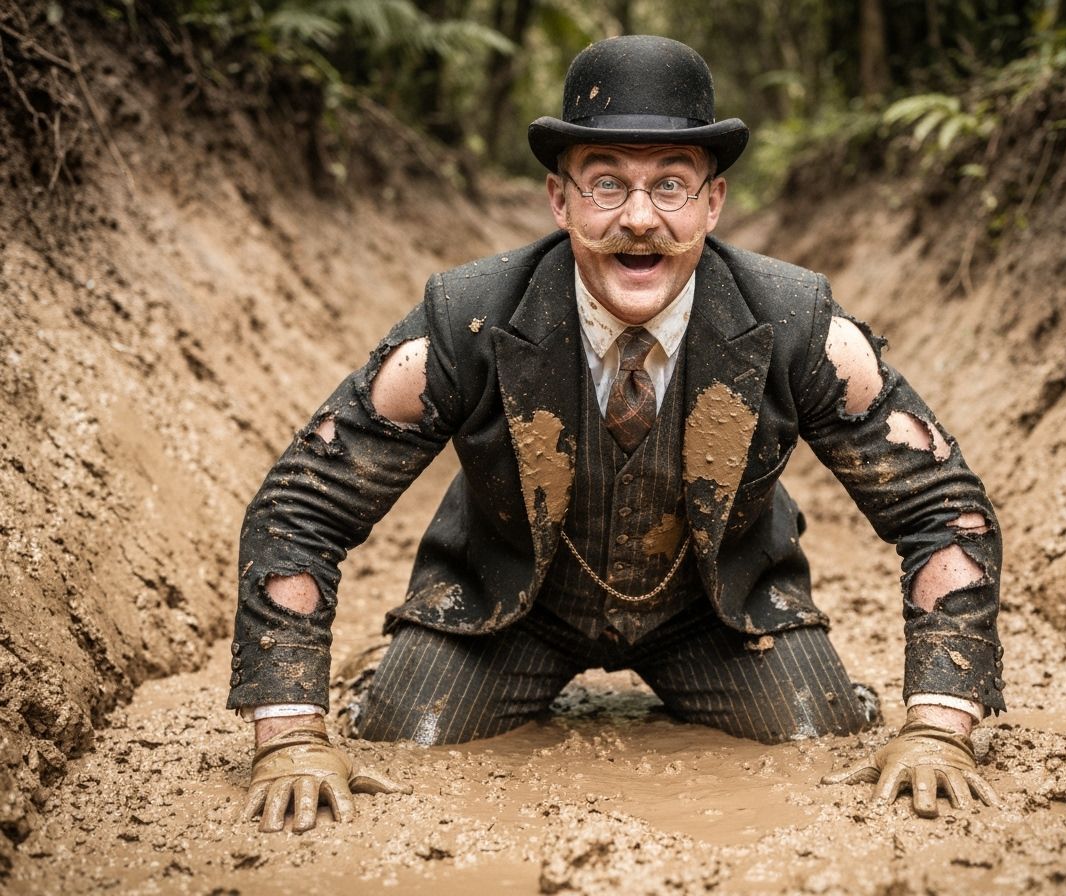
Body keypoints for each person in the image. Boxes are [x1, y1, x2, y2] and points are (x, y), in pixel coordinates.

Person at [230, 35, 1005, 834]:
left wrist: (936, 729)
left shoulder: (797, 323)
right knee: (406, 734)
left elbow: (942, 506)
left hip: (724, 615)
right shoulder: (468, 319)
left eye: (670, 184)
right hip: (503, 610)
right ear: (559, 201)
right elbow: (302, 504)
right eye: (607, 184)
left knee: (821, 731)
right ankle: (379, 680)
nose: (640, 220)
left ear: (713, 202)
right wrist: (289, 735)